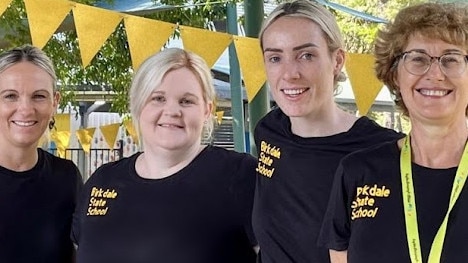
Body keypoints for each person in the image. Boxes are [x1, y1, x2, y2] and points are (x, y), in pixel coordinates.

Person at [72, 47, 258, 263]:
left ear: (207, 110)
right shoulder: (103, 181)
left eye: (186, 101)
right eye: (158, 98)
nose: (172, 111)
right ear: (139, 104)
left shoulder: (242, 177)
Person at [252, 0, 404, 262]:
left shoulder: (383, 151)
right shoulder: (268, 131)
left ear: (337, 60)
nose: (290, 73)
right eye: (275, 58)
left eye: (306, 55)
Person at [318, 2, 468, 263]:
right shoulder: (357, 171)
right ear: (395, 75)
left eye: (451, 59)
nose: (435, 74)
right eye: (418, 59)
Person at [0, 45, 83, 263]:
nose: (26, 109)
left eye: (38, 96)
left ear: (55, 102)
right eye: (10, 96)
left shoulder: (67, 177)